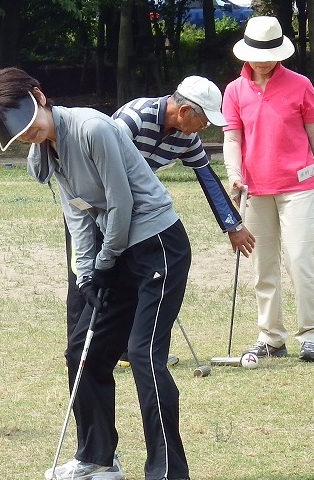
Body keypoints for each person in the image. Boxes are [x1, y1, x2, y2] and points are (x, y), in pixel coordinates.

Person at [0, 68, 193, 480]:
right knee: (83, 351)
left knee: (145, 355)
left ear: (40, 96)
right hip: (116, 252)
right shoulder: (49, 148)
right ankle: (98, 457)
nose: (30, 134)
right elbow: (77, 212)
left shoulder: (92, 128)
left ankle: (171, 477)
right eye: (20, 134)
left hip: (155, 245)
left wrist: (106, 259)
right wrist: (86, 271)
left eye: (30, 122)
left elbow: (121, 201)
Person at [64, 77, 258, 364]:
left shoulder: (186, 137)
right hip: (93, 204)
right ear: (184, 112)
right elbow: (96, 164)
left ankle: (127, 348)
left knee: (127, 274)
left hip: (130, 211)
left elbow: (207, 177)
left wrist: (233, 225)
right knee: (88, 273)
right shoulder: (133, 119)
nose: (205, 128)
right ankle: (79, 350)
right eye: (204, 120)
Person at [221, 16, 314, 363]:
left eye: (269, 52)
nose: (262, 59)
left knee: (299, 260)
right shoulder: (235, 90)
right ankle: (270, 337)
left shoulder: (300, 85)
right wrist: (233, 174)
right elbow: (232, 137)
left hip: (298, 186)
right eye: (257, 52)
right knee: (262, 265)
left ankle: (311, 336)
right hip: (256, 189)